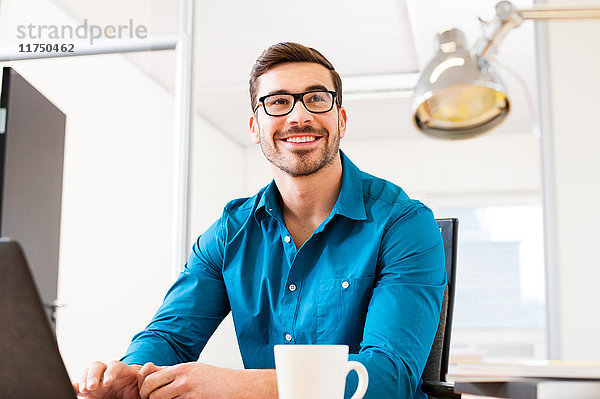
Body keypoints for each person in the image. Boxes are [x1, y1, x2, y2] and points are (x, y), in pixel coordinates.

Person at [75, 42, 446, 399]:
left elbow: (388, 378)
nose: (299, 117)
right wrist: (133, 372)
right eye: (279, 102)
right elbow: (171, 338)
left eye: (317, 99)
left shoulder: (405, 225)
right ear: (255, 127)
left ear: (341, 119)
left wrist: (236, 388)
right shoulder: (228, 234)